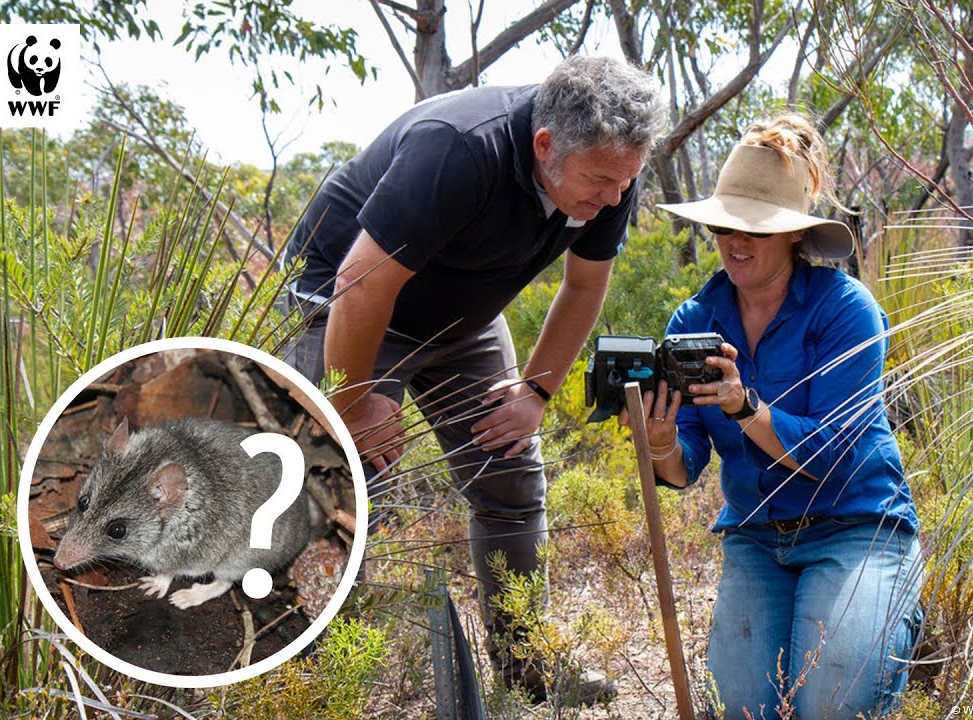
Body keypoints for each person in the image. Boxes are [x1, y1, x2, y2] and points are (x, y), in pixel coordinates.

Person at [280, 55, 664, 704]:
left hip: (463, 317)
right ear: (545, 146)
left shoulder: (610, 174)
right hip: (351, 305)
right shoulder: (460, 150)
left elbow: (585, 283)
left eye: (625, 181)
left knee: (511, 477)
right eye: (601, 180)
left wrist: (535, 394)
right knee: (335, 490)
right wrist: (353, 403)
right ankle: (319, 686)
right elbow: (358, 283)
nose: (615, 198)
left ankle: (528, 675)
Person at [634, 114, 922, 718]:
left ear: (794, 235)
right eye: (724, 227)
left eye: (756, 231)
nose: (735, 243)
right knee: (738, 708)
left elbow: (828, 459)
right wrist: (659, 441)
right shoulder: (693, 322)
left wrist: (746, 407)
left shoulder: (846, 312)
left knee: (834, 701)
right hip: (757, 539)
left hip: (856, 525)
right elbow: (683, 467)